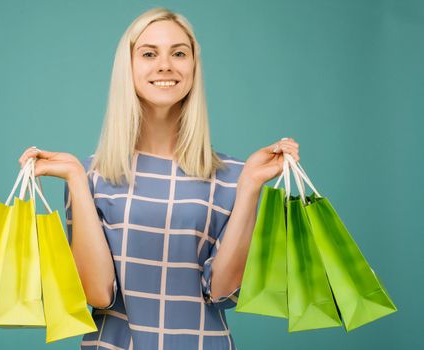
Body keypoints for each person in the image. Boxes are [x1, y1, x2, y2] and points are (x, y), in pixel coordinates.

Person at [18, 7, 300, 350]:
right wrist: (76, 179)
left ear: (194, 67)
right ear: (129, 67)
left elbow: (223, 291)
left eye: (179, 53)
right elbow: (97, 295)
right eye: (149, 53)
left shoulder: (233, 177)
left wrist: (252, 186)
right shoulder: (92, 175)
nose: (165, 65)